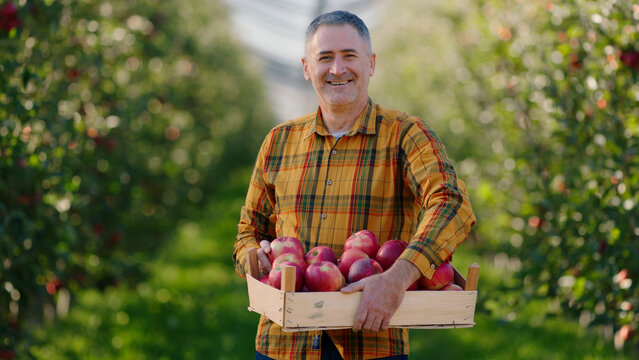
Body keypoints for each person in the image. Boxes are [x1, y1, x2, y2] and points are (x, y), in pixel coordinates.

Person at [233, 10, 476, 360]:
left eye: (349, 55)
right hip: (283, 344)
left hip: (372, 340)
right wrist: (259, 262)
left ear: (371, 63)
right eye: (325, 58)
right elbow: (247, 231)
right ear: (306, 67)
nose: (337, 69)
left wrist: (398, 277)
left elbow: (451, 203)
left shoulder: (406, 135)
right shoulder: (278, 141)